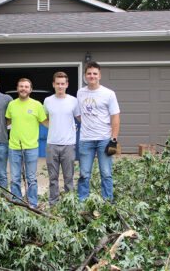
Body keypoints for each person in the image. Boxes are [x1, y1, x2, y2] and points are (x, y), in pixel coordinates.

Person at [77, 62, 120, 201]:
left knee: (106, 173)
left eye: (95, 73)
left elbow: (115, 117)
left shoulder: (108, 94)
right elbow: (78, 114)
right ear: (85, 76)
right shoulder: (80, 92)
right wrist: (89, 124)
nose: (92, 76)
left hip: (104, 139)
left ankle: (107, 203)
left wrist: (113, 139)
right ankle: (81, 203)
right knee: (84, 174)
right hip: (85, 140)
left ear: (99, 75)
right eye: (89, 73)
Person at [5, 78, 48, 207]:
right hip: (14, 147)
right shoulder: (12, 104)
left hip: (32, 147)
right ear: (18, 88)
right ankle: (17, 202)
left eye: (26, 86)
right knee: (15, 178)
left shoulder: (37, 105)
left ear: (30, 89)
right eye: (21, 86)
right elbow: (8, 121)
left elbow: (44, 122)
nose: (23, 89)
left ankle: (33, 203)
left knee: (31, 178)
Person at [43, 72, 80, 206]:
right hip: (52, 144)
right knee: (53, 178)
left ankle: (69, 204)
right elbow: (45, 118)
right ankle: (54, 204)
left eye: (62, 84)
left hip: (68, 145)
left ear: (67, 85)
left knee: (68, 178)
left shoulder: (73, 101)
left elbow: (79, 118)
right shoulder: (48, 101)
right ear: (53, 84)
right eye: (57, 83)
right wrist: (54, 128)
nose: (60, 86)